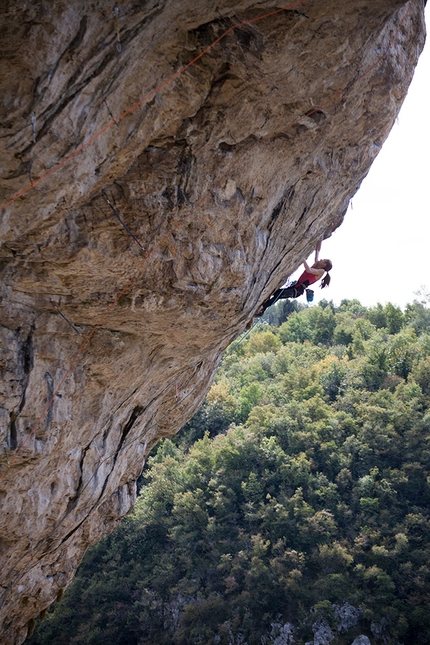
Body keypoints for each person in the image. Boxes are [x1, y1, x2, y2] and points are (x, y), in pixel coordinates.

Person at [255, 241, 332, 316]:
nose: (321, 259)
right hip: (295, 287)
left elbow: (309, 270)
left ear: (324, 265)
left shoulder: (321, 271)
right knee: (276, 292)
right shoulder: (317, 265)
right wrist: (320, 238)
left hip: (297, 291)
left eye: (323, 260)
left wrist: (302, 258)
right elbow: (317, 252)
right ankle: (263, 309)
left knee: (278, 294)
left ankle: (263, 307)